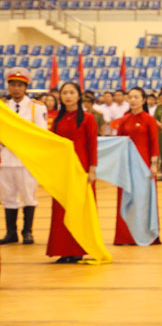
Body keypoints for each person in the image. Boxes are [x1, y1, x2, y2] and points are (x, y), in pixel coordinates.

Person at [48, 82, 98, 264]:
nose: (68, 96)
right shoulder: (57, 119)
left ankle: (78, 249)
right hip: (63, 170)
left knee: (79, 209)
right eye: (64, 93)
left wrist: (92, 169)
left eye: (71, 92)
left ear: (79, 96)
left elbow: (92, 144)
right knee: (61, 209)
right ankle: (63, 250)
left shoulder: (88, 118)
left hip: (81, 169)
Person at [1, 68, 48, 245]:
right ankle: (11, 233)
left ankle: (27, 232)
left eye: (20, 85)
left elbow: (41, 133)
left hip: (26, 160)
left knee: (28, 196)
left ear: (26, 87)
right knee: (8, 196)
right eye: (13, 85)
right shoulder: (3, 108)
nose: (16, 89)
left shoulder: (36, 107)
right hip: (6, 158)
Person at [114, 86, 161, 246]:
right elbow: (118, 142)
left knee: (143, 199)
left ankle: (145, 234)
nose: (133, 100)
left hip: (144, 165)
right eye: (130, 97)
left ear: (143, 100)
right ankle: (125, 237)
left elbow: (154, 143)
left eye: (136, 97)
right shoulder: (124, 120)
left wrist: (153, 164)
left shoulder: (149, 119)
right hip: (127, 165)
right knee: (126, 198)